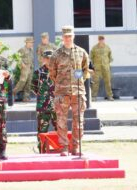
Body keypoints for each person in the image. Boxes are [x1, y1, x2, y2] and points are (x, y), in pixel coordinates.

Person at [49, 25, 89, 156]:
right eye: (65, 36)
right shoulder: (56, 55)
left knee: (79, 122)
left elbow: (85, 70)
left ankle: (76, 147)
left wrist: (77, 81)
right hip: (62, 93)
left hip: (78, 92)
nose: (68, 38)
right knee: (61, 121)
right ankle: (64, 147)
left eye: (70, 36)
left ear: (73, 36)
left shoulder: (81, 52)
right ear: (62, 37)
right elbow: (52, 74)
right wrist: (62, 84)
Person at [31, 50, 57, 153]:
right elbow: (34, 87)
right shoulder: (38, 72)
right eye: (46, 58)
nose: (48, 60)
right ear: (43, 59)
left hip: (57, 106)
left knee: (59, 129)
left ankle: (58, 149)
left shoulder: (58, 71)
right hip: (43, 107)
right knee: (42, 130)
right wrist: (43, 96)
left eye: (50, 58)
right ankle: (42, 150)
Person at [90, 35, 114, 101]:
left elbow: (110, 57)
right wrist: (93, 65)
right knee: (95, 82)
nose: (101, 40)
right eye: (100, 39)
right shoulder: (94, 48)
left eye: (102, 39)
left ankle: (110, 96)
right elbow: (90, 57)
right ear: (98, 40)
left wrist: (107, 64)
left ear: (104, 39)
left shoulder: (107, 47)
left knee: (108, 82)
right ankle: (93, 97)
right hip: (97, 68)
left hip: (106, 68)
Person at [13, 37, 34, 102]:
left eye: (32, 42)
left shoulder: (31, 50)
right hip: (25, 67)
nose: (32, 44)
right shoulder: (22, 49)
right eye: (30, 42)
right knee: (22, 81)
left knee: (28, 82)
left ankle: (26, 97)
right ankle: (13, 92)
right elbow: (17, 57)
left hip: (30, 67)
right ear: (27, 42)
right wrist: (22, 64)